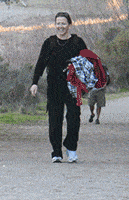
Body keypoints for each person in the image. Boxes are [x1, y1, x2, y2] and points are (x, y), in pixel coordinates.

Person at [30, 12, 87, 163]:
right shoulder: (49, 43)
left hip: (74, 86)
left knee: (74, 118)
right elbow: (41, 63)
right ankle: (56, 151)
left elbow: (86, 62)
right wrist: (34, 82)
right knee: (55, 119)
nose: (60, 26)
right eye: (58, 23)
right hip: (54, 86)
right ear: (55, 25)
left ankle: (71, 148)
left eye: (63, 23)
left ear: (69, 24)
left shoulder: (77, 42)